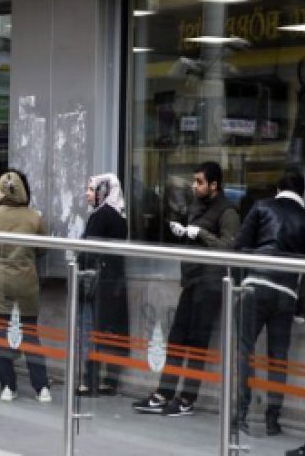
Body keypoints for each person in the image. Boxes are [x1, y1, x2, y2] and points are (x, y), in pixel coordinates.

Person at [133, 161, 240, 417]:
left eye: (200, 182)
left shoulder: (228, 211)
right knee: (178, 337)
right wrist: (182, 231)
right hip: (192, 280)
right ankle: (164, 393)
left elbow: (228, 248)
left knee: (197, 342)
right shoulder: (196, 206)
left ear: (214, 185)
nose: (195, 186)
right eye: (195, 181)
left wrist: (199, 233)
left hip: (211, 283)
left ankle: (187, 398)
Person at [234, 167, 305, 436]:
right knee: (278, 358)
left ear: (278, 190)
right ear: (302, 193)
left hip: (255, 286)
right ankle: (273, 420)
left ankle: (240, 415)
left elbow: (240, 247)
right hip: (286, 294)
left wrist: (237, 285)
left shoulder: (262, 207)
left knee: (245, 350)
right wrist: (302, 308)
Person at [0, 168, 52, 404]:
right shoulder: (34, 217)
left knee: (0, 335)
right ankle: (42, 387)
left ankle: (8, 387)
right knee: (30, 334)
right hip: (25, 281)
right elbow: (42, 249)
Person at [77, 173, 129, 396]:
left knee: (92, 330)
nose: (87, 194)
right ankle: (110, 381)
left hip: (97, 282)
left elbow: (88, 252)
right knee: (111, 331)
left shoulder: (100, 215)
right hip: (114, 281)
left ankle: (90, 381)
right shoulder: (119, 214)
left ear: (103, 191)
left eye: (92, 189)